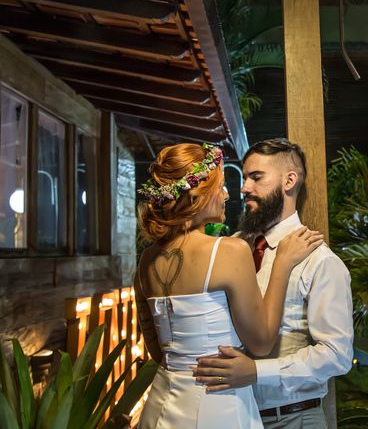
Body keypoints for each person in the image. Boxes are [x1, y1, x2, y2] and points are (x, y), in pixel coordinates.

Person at [134, 142, 324, 429]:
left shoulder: (146, 260)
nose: (226, 195)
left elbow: (158, 350)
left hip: (161, 405)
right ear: (199, 195)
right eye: (220, 186)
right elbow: (261, 342)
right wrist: (282, 263)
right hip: (217, 405)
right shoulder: (228, 250)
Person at [194, 138, 354, 429]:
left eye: (256, 177)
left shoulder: (320, 262)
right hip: (233, 415)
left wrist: (257, 372)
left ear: (289, 180)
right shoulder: (233, 247)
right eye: (244, 179)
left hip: (293, 418)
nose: (244, 188)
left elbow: (337, 355)